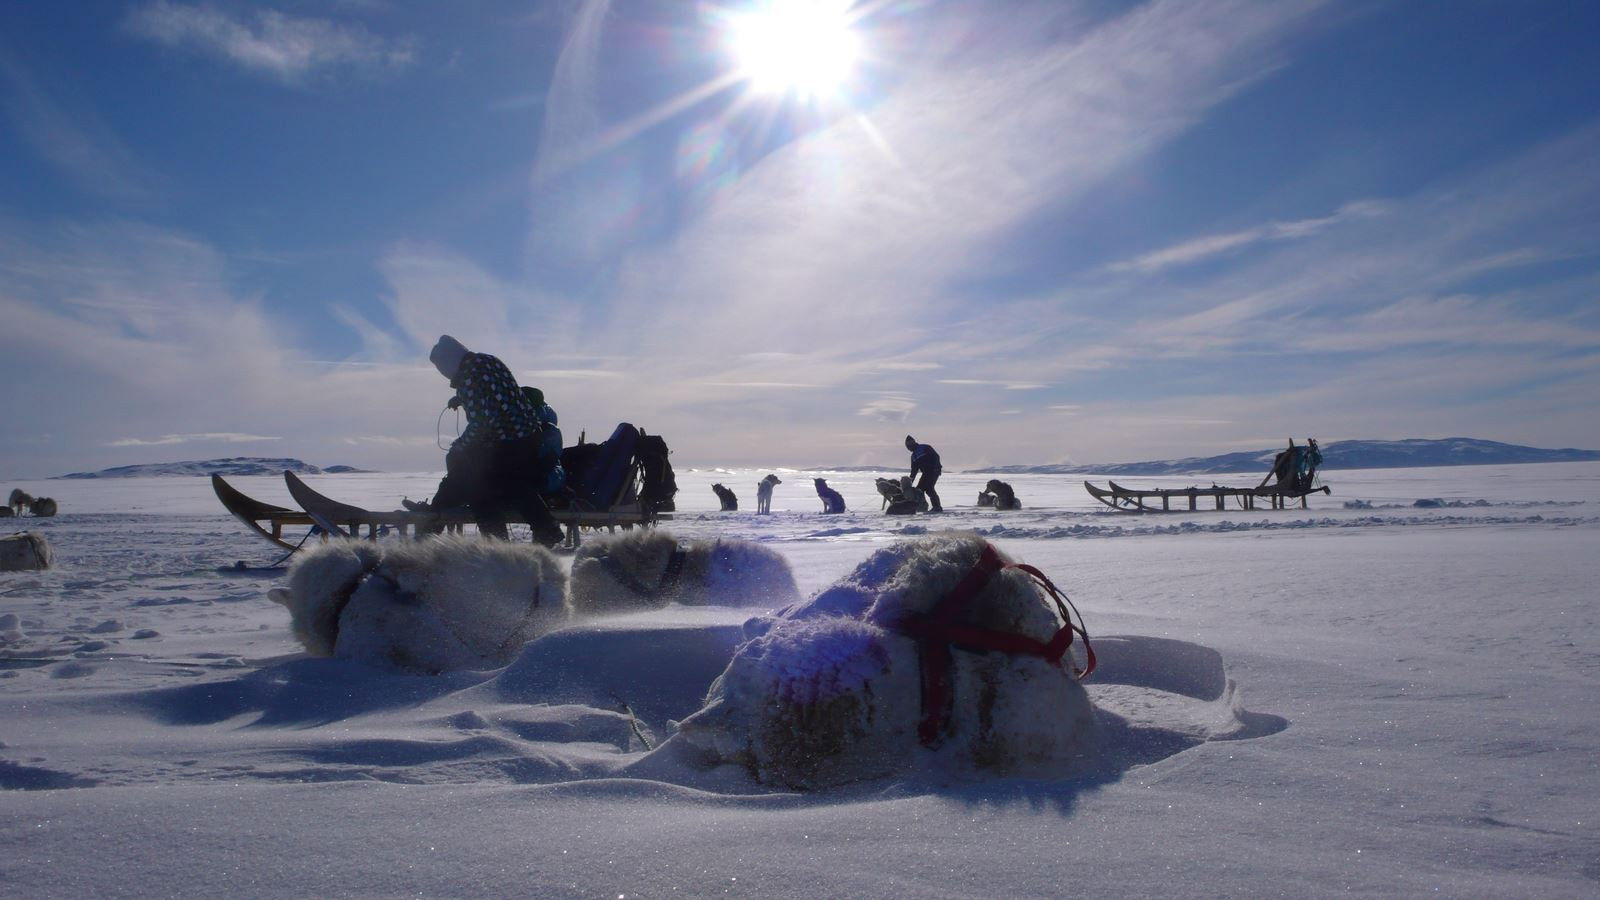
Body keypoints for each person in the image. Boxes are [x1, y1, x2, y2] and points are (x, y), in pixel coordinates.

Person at [423, 335, 565, 547]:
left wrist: (462, 444)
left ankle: (495, 541)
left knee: (480, 484)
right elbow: (494, 391)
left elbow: (482, 423)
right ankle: (542, 528)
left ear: (448, 364)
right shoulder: (486, 361)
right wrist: (461, 398)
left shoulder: (469, 378)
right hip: (529, 432)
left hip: (509, 438)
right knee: (503, 481)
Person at [904, 435, 943, 513]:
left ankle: (937, 507)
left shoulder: (925, 448)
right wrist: (909, 482)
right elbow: (914, 471)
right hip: (926, 473)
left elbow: (936, 456)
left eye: (909, 446)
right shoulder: (914, 456)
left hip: (933, 470)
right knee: (919, 489)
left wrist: (936, 467)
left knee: (929, 488)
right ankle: (921, 507)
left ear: (912, 444)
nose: (908, 449)